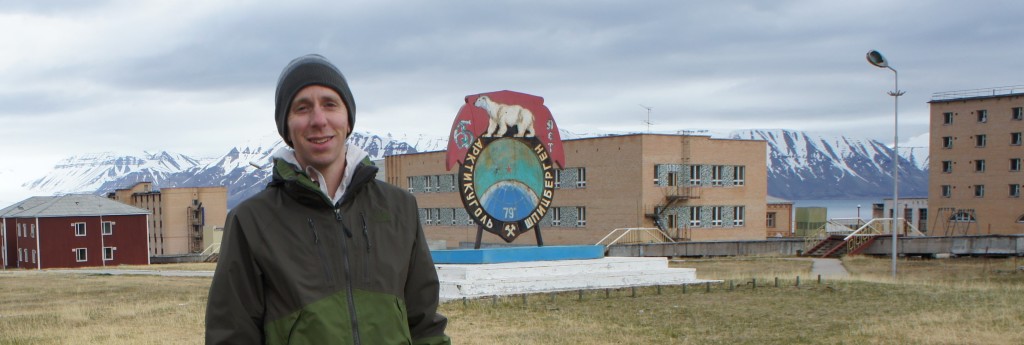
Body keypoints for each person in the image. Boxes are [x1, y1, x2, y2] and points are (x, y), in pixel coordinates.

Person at [205, 54, 450, 345]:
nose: (319, 120)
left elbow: (425, 327)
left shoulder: (399, 208)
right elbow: (231, 336)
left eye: (330, 104)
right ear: (287, 128)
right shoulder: (252, 222)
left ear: (348, 119)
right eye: (302, 108)